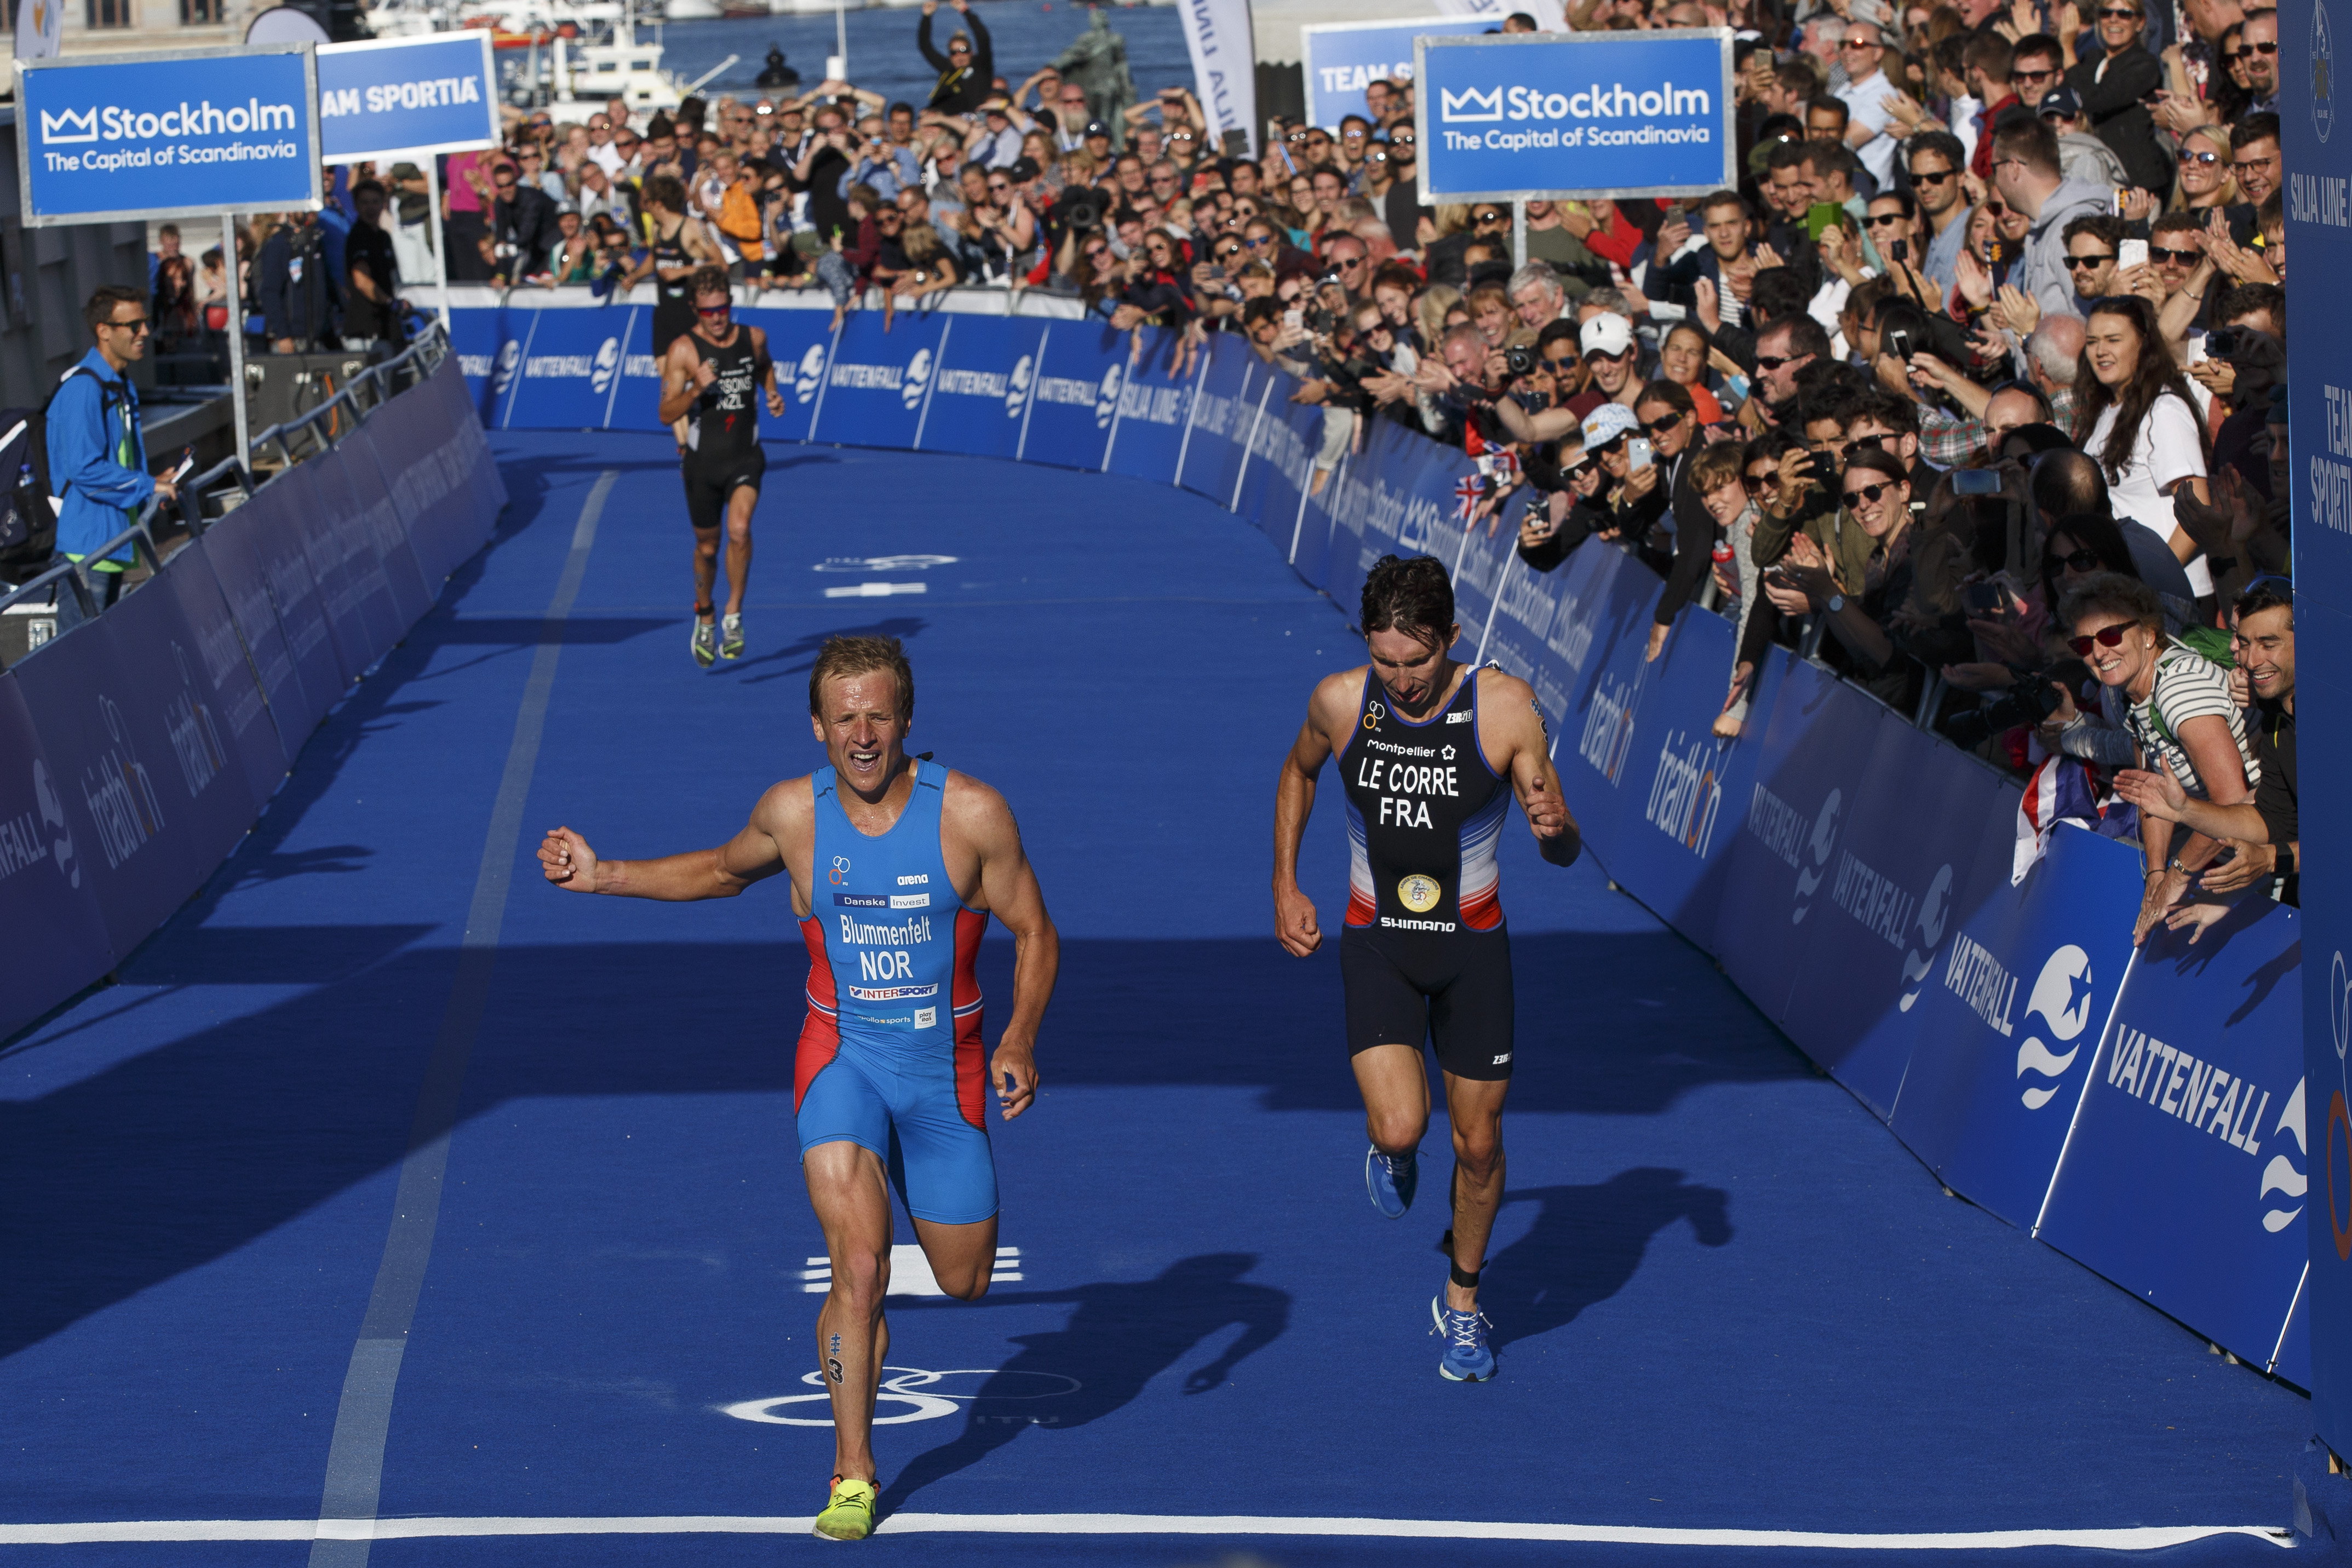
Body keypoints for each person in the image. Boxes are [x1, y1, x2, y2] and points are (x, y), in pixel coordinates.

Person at [536, 635, 1059, 1543]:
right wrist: (602, 874)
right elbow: (720, 870)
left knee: (964, 1280)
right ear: (816, 725)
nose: (861, 735)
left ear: (905, 719)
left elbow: (1037, 933)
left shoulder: (971, 813)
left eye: (877, 715)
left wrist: (1017, 1037)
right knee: (856, 1265)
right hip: (841, 1063)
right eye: (843, 717)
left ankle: (884, 1279)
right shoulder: (793, 814)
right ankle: (850, 1468)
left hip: (943, 1077)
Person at [1270, 555, 1580, 1383]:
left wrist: (1555, 829)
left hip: (1473, 952)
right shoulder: (1340, 702)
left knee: (1477, 1146)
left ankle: (1464, 1304)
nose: (1402, 680)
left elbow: (1561, 847)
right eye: (1385, 660)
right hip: (1377, 943)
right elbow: (1296, 772)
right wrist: (1284, 882)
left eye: (1418, 659)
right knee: (1401, 1126)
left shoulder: (1506, 707)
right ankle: (1393, 1151)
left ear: (1452, 637)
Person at [2055, 573, 2256, 944]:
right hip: (2233, 854)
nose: (2099, 652)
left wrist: (2177, 874)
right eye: (2084, 643)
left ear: (2149, 634)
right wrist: (2156, 874)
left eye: (2111, 635)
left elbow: (2233, 802)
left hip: (2272, 850)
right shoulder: (2137, 697)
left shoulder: (2179, 690)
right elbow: (2153, 796)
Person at [2112, 578, 2297, 921]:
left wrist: (2272, 859)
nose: (2252, 660)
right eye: (2243, 642)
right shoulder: (2277, 718)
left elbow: (2338, 839)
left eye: (2269, 644)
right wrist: (2183, 813)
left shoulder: (2332, 718)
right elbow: (2273, 818)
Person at [656, 267, 785, 666]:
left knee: (740, 530)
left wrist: (773, 392)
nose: (717, 318)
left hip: (745, 456)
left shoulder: (754, 337)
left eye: (723, 308)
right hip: (702, 464)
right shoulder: (683, 350)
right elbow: (665, 412)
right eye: (709, 311)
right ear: (696, 309)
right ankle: (705, 611)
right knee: (708, 547)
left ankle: (733, 612)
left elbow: (764, 365)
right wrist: (696, 388)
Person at [45, 285, 176, 635]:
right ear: (104, 331)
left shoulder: (119, 384)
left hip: (115, 542)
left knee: (103, 656)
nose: (145, 332)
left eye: (145, 323)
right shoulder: (84, 389)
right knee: (78, 660)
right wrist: (146, 485)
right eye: (134, 325)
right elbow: (84, 469)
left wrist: (151, 482)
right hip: (88, 553)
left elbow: (115, 462)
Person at [2078, 295, 2213, 596]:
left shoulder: (2163, 410)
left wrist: (2153, 579)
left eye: (2113, 340)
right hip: (2129, 587)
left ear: (2143, 343)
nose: (2101, 351)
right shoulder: (2107, 408)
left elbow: (2199, 503)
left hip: (2171, 593)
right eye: (2092, 341)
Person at [342, 180, 402, 354]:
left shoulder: (384, 237)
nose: (371, 208)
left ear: (383, 204)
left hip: (386, 327)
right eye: (365, 203)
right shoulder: (358, 236)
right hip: (364, 332)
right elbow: (361, 280)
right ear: (356, 206)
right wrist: (389, 302)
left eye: (375, 202)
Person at [919, 0, 995, 117]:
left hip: (978, 121)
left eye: (964, 51)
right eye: (954, 52)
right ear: (950, 56)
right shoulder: (948, 69)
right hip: (952, 122)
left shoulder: (982, 67)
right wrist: (927, 16)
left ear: (972, 53)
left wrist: (965, 10)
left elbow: (983, 38)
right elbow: (925, 47)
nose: (959, 56)